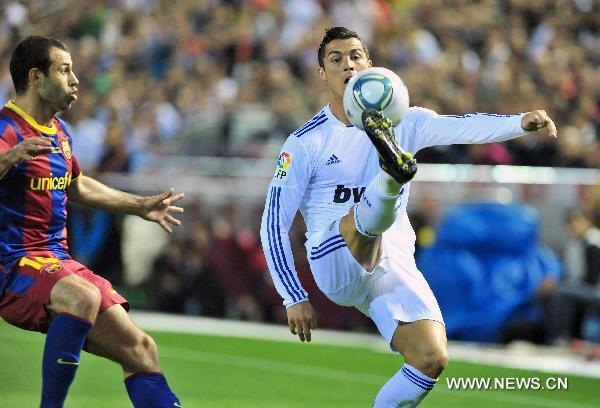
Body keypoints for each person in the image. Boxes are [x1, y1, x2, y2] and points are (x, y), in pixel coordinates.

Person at [259, 26, 556, 407]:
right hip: (335, 257)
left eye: (355, 56)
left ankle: (392, 174)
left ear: (369, 64)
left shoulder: (405, 119)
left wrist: (518, 123)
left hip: (390, 265)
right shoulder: (305, 142)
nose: (347, 65)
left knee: (431, 359)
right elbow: (273, 223)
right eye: (336, 59)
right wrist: (292, 295)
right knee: (359, 217)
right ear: (322, 74)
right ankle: (393, 175)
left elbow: (461, 125)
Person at [0, 36, 184, 407]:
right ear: (35, 77)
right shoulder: (6, 128)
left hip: (56, 262)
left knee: (141, 349)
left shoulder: (59, 133)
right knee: (81, 297)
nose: (75, 80)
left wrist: (137, 205)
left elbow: (77, 184)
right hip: (13, 263)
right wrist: (11, 157)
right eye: (64, 70)